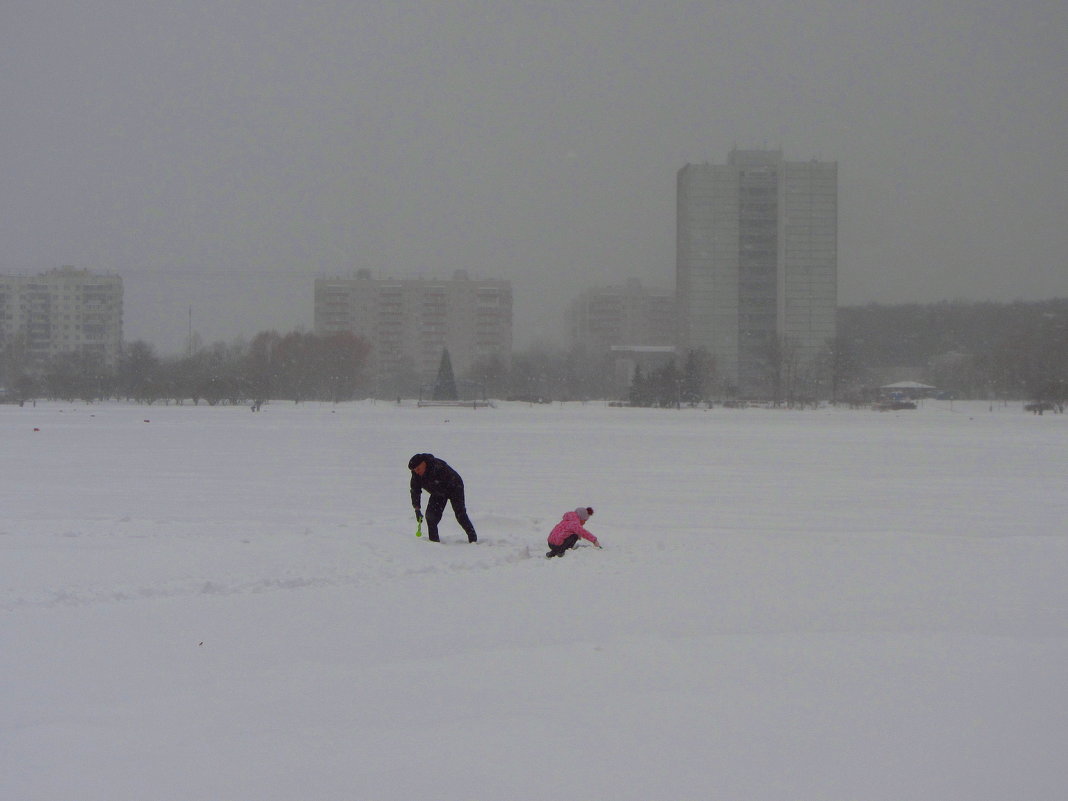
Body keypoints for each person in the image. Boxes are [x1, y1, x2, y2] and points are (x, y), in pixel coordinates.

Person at [408, 453, 478, 543]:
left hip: (455, 486)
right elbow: (415, 491)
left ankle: (473, 539)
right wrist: (417, 509)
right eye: (414, 470)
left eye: (418, 469)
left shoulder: (437, 466)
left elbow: (449, 482)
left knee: (460, 514)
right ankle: (434, 543)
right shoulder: (416, 475)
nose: (417, 472)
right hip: (438, 492)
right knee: (430, 517)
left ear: (423, 463)